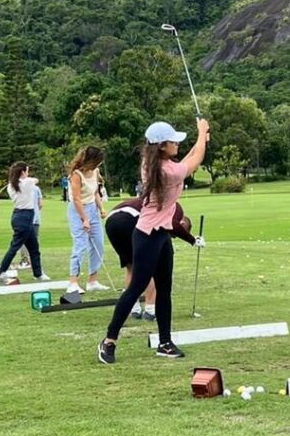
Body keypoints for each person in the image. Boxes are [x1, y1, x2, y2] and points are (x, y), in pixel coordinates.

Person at [98, 117, 209, 364]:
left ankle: (165, 342)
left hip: (162, 235)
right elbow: (195, 160)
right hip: (147, 236)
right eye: (173, 142)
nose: (177, 145)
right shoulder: (166, 171)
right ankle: (109, 341)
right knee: (136, 288)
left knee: (164, 290)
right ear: (161, 146)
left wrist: (201, 141)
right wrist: (202, 133)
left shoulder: (154, 162)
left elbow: (189, 158)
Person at [105, 196, 205, 321]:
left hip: (111, 222)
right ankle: (150, 310)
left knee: (131, 266)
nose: (170, 236)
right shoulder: (176, 207)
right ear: (183, 223)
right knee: (152, 266)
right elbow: (174, 224)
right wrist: (192, 240)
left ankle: (134, 308)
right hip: (131, 219)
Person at [0, 162, 49, 283]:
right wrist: (25, 177)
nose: (28, 173)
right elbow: (36, 180)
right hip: (24, 217)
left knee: (34, 248)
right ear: (23, 172)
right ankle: (1, 272)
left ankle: (38, 274)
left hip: (22, 217)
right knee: (14, 247)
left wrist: (21, 177)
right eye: (27, 170)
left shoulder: (11, 185)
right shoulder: (26, 182)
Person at [66, 146, 108, 293]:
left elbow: (95, 192)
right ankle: (73, 282)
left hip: (92, 209)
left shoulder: (95, 171)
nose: (100, 164)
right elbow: (76, 199)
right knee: (80, 245)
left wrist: (101, 208)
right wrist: (84, 219)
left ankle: (92, 280)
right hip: (77, 211)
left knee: (98, 244)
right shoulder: (76, 175)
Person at [17, 184, 43, 269]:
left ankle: (25, 261)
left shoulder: (20, 187)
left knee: (23, 240)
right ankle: (34, 261)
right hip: (35, 218)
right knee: (35, 240)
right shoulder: (36, 188)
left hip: (24, 218)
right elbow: (40, 204)